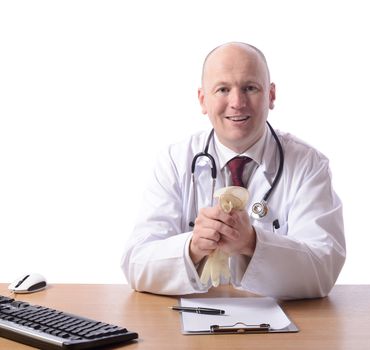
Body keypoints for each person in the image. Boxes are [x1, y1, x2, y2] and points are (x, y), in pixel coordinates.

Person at [121, 42, 346, 300]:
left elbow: (323, 268)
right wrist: (192, 247)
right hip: (190, 325)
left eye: (250, 88)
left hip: (284, 329)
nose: (237, 103)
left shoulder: (309, 164)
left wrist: (252, 242)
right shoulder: (174, 161)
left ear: (271, 95)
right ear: (203, 99)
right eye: (222, 89)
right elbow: (136, 263)